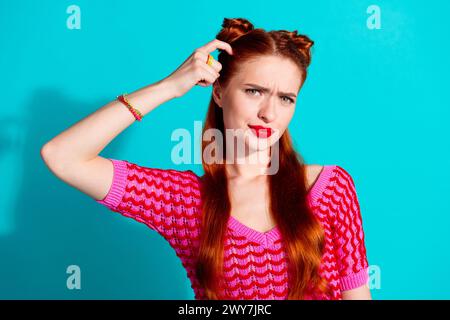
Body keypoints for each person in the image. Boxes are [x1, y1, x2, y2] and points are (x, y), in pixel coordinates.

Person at [41, 17, 371, 300]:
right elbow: (62, 156)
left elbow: (356, 293)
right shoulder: (183, 200)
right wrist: (169, 86)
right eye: (253, 91)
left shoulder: (329, 189)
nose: (269, 113)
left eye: (285, 98)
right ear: (218, 91)